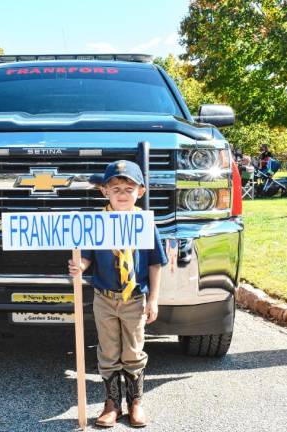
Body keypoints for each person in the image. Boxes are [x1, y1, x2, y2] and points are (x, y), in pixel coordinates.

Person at [68, 160, 168, 428]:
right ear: (104, 192)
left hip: (134, 299)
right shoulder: (97, 224)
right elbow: (87, 257)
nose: (122, 193)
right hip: (104, 299)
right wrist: (80, 266)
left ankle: (135, 402)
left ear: (141, 192)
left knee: (134, 351)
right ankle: (112, 404)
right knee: (109, 351)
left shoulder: (144, 224)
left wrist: (154, 299)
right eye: (116, 188)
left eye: (129, 188)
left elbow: (155, 263)